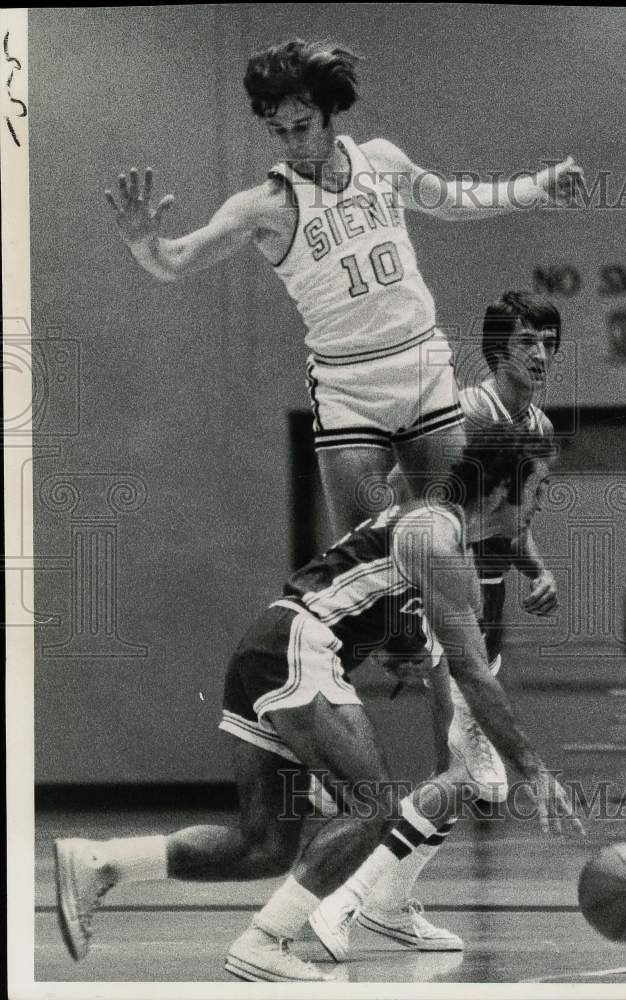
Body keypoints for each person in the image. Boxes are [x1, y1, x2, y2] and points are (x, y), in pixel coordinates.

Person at [54, 427, 582, 982]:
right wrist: (532, 767)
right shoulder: (437, 536)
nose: (541, 507)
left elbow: (366, 589)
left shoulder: (433, 533)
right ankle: (265, 942)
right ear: (501, 492)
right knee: (375, 806)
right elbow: (473, 673)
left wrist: (393, 643)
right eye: (539, 491)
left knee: (265, 848)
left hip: (266, 649)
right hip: (296, 647)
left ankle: (103, 862)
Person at [103, 38, 584, 537]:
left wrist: (538, 185)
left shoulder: (381, 161)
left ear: (330, 113)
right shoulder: (265, 205)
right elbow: (177, 259)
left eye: (302, 126)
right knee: (360, 553)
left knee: (453, 535)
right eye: (278, 131)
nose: (292, 142)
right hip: (349, 388)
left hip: (420, 366)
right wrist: (145, 244)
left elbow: (455, 201)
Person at [307, 292, 565, 957]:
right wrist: (401, 605)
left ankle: (390, 903)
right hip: (437, 595)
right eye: (528, 342)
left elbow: (510, 518)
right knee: (469, 774)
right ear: (497, 351)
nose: (540, 355)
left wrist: (534, 567)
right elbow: (399, 495)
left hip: (484, 608)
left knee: (470, 778)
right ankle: (344, 901)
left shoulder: (536, 425)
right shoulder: (461, 414)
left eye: (549, 342)